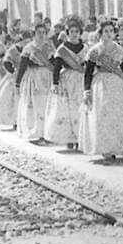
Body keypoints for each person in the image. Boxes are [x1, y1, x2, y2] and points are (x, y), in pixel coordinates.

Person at [80, 20, 123, 161]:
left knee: (118, 116)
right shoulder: (95, 50)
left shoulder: (119, 50)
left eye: (111, 31)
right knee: (103, 116)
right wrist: (86, 90)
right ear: (100, 33)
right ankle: (106, 149)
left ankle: (118, 146)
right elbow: (88, 72)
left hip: (117, 86)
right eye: (106, 31)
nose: (109, 34)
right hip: (100, 86)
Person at [44, 18, 86, 150]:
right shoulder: (62, 49)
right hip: (66, 80)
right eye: (72, 32)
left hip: (80, 80)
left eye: (77, 31)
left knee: (79, 108)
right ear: (67, 33)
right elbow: (57, 68)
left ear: (80, 33)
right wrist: (55, 83)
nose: (74, 34)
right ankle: (69, 139)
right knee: (67, 109)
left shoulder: (85, 48)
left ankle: (80, 137)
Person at [14, 23, 54, 144]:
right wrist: (17, 82)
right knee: (35, 106)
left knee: (46, 105)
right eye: (39, 32)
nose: (41, 35)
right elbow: (22, 66)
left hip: (47, 77)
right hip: (33, 78)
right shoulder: (28, 48)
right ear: (34, 34)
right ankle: (36, 133)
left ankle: (46, 134)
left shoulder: (49, 47)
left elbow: (54, 63)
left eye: (43, 32)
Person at [0, 32, 27, 129]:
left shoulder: (29, 49)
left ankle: (23, 121)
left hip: (27, 76)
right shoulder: (13, 50)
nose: (25, 43)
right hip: (15, 77)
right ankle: (15, 121)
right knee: (13, 100)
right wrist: (12, 70)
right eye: (24, 41)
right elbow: (6, 61)